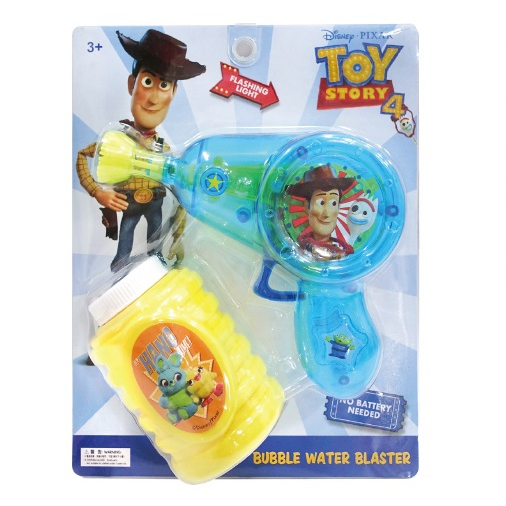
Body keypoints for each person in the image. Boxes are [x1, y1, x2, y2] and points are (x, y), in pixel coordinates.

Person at [76, 29, 206, 272]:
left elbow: (179, 190)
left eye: (164, 85)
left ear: (173, 92)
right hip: (130, 204)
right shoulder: (117, 141)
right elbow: (83, 154)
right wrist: (98, 192)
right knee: (125, 243)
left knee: (156, 243)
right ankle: (121, 271)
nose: (154, 98)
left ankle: (156, 268)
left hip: (156, 203)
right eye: (148, 82)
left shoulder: (165, 150)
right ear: (132, 84)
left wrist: (178, 234)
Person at [286, 164, 355, 260]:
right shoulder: (301, 247)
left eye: (333, 203)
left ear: (338, 207)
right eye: (321, 202)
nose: (326, 214)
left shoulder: (342, 249)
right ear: (307, 206)